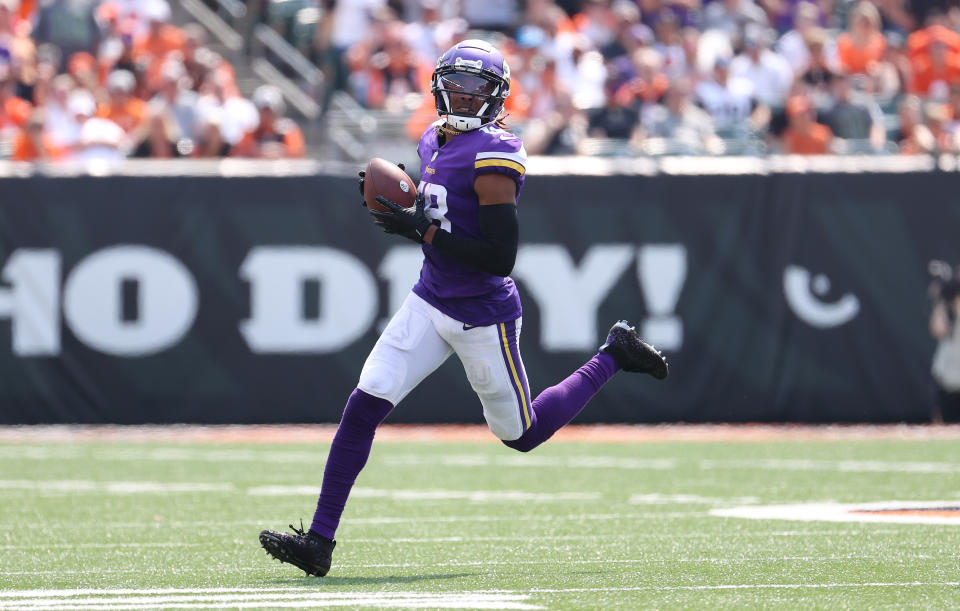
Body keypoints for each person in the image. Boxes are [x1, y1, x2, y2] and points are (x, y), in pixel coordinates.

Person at [259, 38, 669, 578]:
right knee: (363, 405)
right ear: (437, 86)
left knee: (521, 435)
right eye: (456, 83)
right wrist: (407, 198)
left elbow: (499, 257)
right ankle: (319, 541)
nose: (464, 95)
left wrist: (421, 227)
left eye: (478, 87)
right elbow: (438, 199)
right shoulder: (432, 139)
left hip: (482, 313)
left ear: (497, 97)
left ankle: (614, 354)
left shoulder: (496, 156)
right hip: (429, 299)